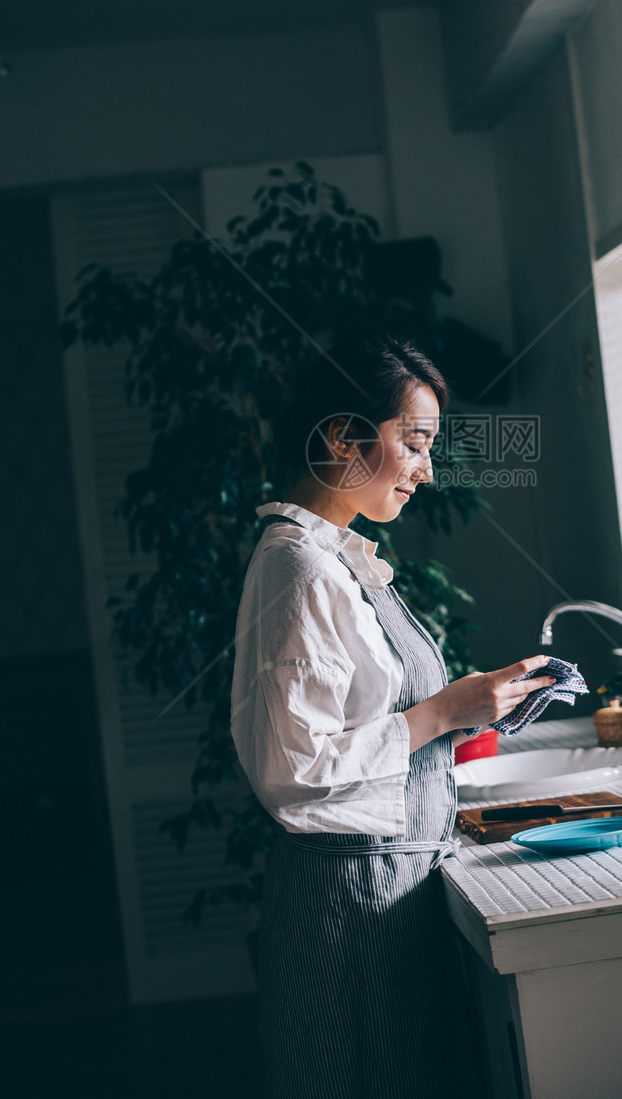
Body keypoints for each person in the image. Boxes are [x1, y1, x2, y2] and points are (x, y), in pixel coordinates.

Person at [230, 325, 556, 1099]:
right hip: (346, 905)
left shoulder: (337, 559)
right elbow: (292, 767)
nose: (426, 469)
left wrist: (470, 708)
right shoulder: (300, 567)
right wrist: (442, 713)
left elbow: (362, 718)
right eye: (413, 441)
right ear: (344, 437)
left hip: (384, 887)